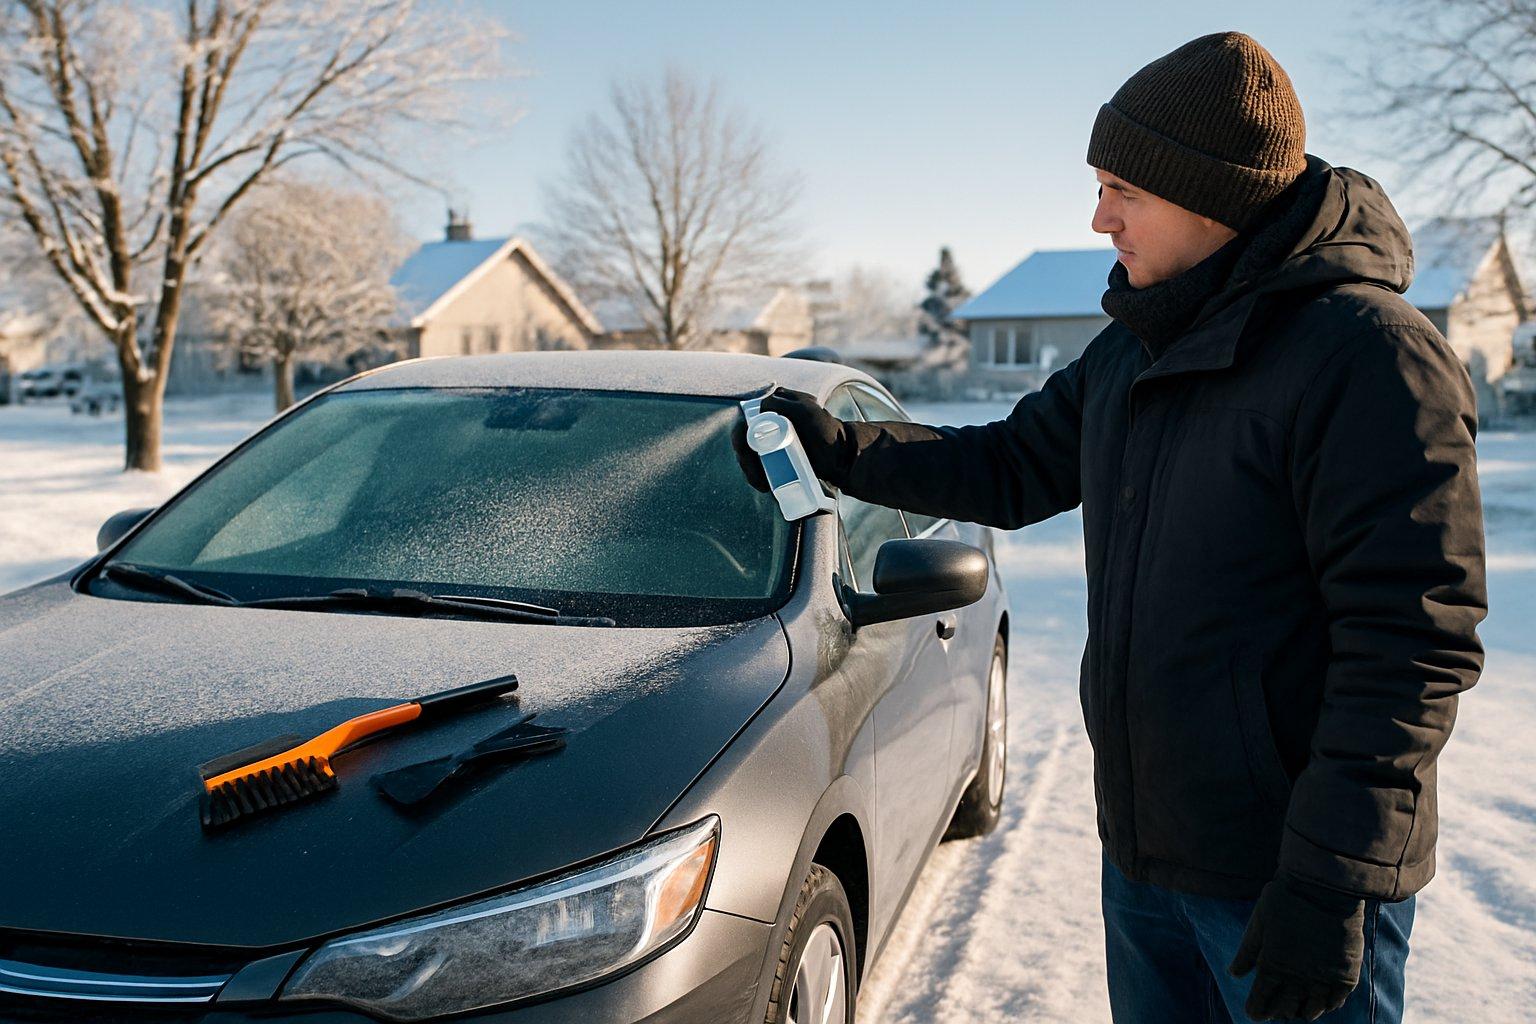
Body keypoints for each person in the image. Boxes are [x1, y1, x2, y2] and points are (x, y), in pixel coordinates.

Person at [733, 30, 1487, 1024]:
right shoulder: (1134, 349)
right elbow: (1008, 463)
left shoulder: (1371, 360)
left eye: (1122, 188)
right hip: (1149, 855)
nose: (1099, 218)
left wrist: (1332, 878)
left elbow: (1410, 647)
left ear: (1210, 192)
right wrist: (848, 449)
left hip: (1285, 880)